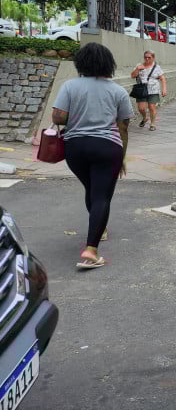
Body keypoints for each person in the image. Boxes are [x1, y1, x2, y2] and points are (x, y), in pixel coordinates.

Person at [52, 43, 133, 269]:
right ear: (109, 64)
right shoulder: (117, 91)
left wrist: (78, 115)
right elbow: (124, 127)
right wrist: (122, 157)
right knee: (102, 195)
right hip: (108, 148)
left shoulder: (69, 86)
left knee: (92, 188)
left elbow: (58, 117)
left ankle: (99, 228)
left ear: (81, 63)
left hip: (75, 148)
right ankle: (91, 249)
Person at [130, 50, 166, 131]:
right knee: (141, 108)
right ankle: (145, 118)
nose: (147, 59)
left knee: (151, 107)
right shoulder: (139, 65)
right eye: (145, 57)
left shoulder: (157, 67)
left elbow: (162, 78)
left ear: (153, 58)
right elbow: (132, 76)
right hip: (141, 89)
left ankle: (152, 123)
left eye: (149, 57)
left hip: (153, 89)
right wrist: (137, 69)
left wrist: (164, 89)